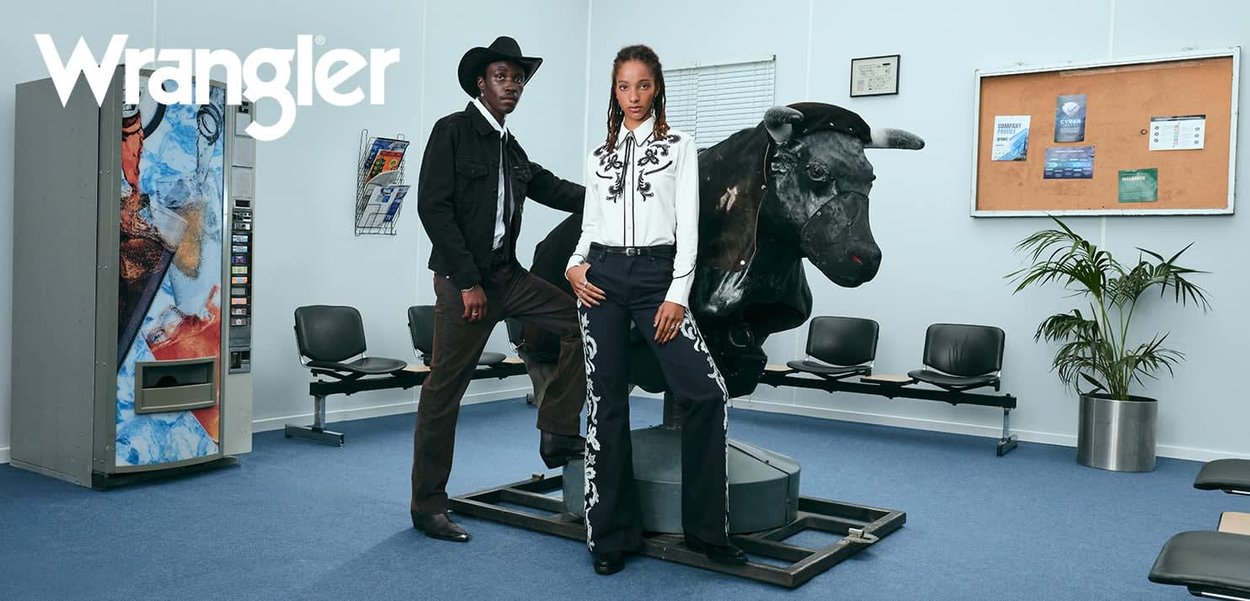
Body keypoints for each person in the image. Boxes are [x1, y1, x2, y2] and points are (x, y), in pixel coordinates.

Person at [564, 44, 747, 575]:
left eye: (642, 85)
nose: (633, 96)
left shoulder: (680, 147)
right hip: (600, 278)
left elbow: (688, 227)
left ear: (657, 87)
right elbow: (590, 225)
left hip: (655, 279)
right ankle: (609, 536)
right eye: (624, 86)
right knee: (606, 404)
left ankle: (707, 532)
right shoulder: (598, 155)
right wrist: (573, 267)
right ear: (614, 91)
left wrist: (676, 295)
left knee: (706, 393)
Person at [412, 36, 586, 543]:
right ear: (481, 83)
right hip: (464, 283)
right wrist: (468, 281)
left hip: (509, 277)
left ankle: (556, 431)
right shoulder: (452, 131)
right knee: (444, 391)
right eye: (501, 77)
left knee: (582, 324)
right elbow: (432, 208)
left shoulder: (510, 146)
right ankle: (427, 506)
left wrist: (612, 194)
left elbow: (551, 187)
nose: (511, 86)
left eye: (518, 79)